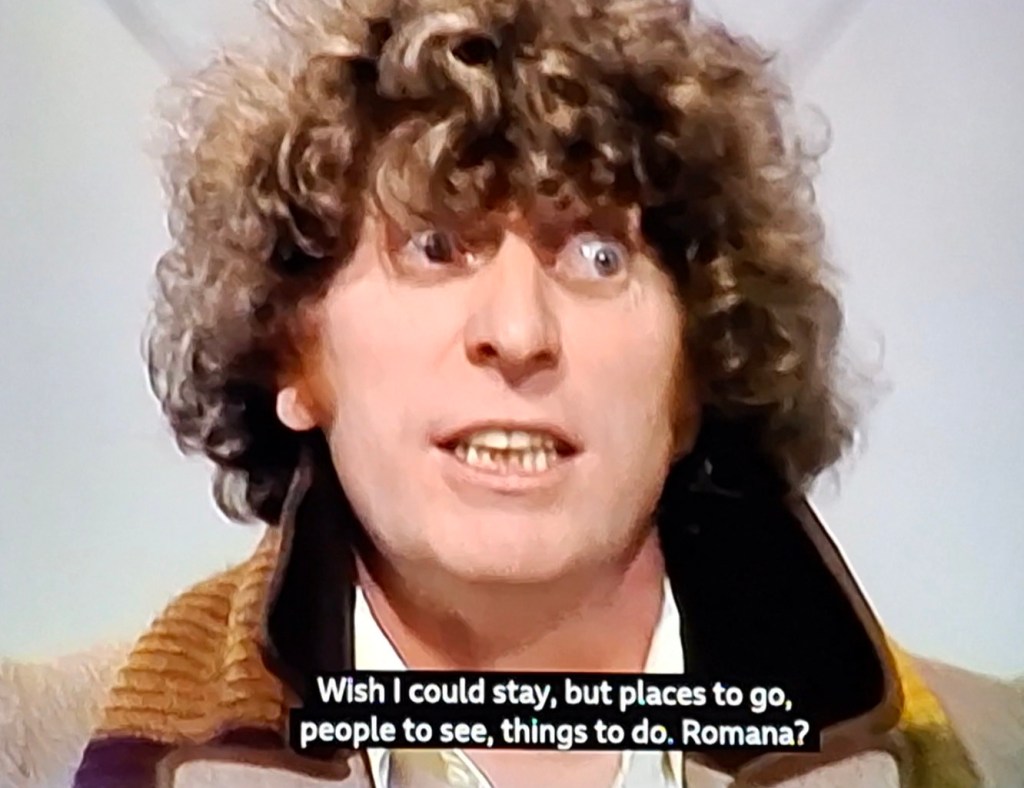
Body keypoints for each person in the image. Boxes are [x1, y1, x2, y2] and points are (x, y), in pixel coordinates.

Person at [72, 0, 1022, 785]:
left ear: (699, 365)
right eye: (436, 246)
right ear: (293, 350)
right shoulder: (94, 738)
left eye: (599, 255)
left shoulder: (963, 747)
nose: (520, 333)